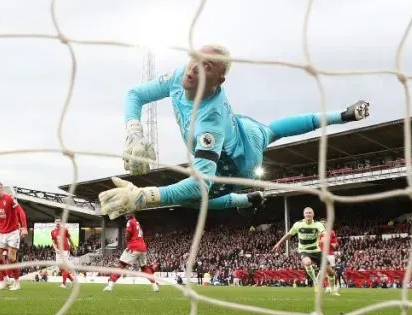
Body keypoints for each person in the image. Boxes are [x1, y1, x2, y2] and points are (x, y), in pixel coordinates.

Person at [97, 44, 370, 218]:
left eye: (207, 66)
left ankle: (245, 199)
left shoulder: (209, 121)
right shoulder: (181, 76)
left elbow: (202, 183)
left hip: (241, 163)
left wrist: (146, 197)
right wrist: (134, 132)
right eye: (196, 57)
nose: (194, 66)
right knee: (272, 130)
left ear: (218, 81)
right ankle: (343, 114)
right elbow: (134, 94)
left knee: (194, 198)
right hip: (242, 128)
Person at [272, 207, 328, 293]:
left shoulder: (318, 224)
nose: (308, 214)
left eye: (310, 213)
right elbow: (289, 234)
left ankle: (327, 284)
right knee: (307, 262)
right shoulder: (298, 224)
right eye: (307, 213)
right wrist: (279, 243)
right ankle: (315, 282)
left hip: (316, 250)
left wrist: (325, 236)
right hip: (304, 250)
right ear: (304, 214)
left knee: (327, 269)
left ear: (313, 214)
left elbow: (324, 233)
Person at [0, 181, 28, 291]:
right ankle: (6, 279)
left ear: (2, 189)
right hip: (2, 233)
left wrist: (24, 227)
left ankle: (17, 283)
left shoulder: (10, 198)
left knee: (12, 258)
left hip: (13, 232)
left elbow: (20, 211)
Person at [104, 214, 159, 292]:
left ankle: (110, 285)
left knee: (121, 265)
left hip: (134, 246)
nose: (126, 216)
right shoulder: (137, 222)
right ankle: (154, 285)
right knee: (144, 268)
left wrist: (126, 237)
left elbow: (128, 235)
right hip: (142, 247)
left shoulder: (130, 221)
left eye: (127, 214)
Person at [318, 218, 341, 295]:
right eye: (322, 223)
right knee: (323, 272)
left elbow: (335, 242)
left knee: (331, 271)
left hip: (330, 254)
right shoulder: (318, 232)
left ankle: (335, 285)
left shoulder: (331, 232)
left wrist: (334, 244)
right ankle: (328, 287)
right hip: (321, 254)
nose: (323, 224)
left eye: (324, 222)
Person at [51, 217, 76, 288]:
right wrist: (56, 249)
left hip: (65, 250)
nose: (58, 222)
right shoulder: (52, 232)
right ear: (55, 222)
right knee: (61, 268)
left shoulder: (65, 230)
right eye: (56, 221)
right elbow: (53, 242)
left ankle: (64, 284)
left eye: (59, 221)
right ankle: (73, 280)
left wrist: (73, 247)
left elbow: (69, 238)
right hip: (58, 251)